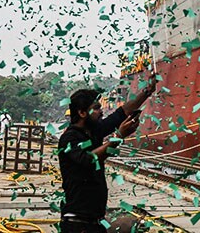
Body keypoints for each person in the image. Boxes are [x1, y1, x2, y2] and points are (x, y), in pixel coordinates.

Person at [58, 76, 157, 233]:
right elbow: (88, 159)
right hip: (77, 224)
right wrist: (118, 137)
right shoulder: (69, 138)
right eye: (96, 107)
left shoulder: (93, 131)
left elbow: (121, 113)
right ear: (82, 112)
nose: (101, 111)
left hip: (95, 221)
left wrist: (146, 92)